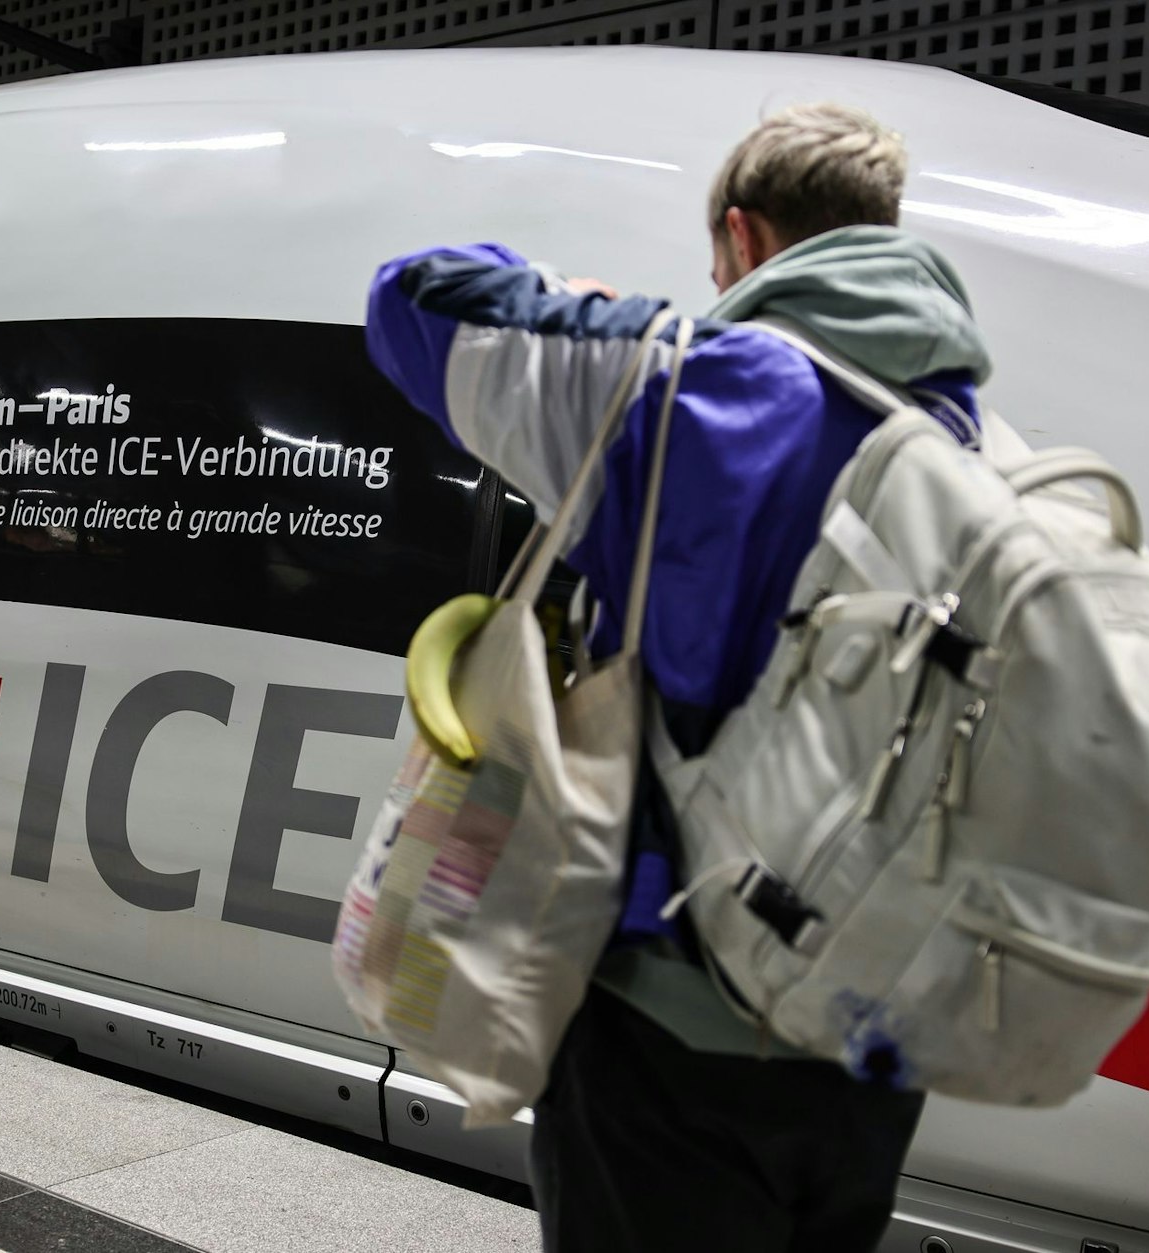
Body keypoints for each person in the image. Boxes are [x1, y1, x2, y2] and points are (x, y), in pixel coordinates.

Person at [364, 103, 993, 1253]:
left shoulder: (690, 391)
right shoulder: (962, 447)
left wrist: (587, 306)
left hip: (669, 1027)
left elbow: (411, 296)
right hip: (867, 1046)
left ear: (743, 240)